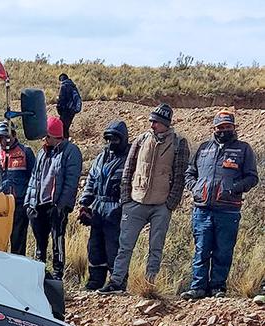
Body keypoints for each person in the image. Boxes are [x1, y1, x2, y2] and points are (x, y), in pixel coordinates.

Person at [99, 104, 190, 294]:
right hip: (136, 201)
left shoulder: (179, 143)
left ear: (165, 123)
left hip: (161, 205)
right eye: (151, 121)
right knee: (125, 246)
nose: (152, 124)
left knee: (155, 248)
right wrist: (126, 199)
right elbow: (128, 169)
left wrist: (170, 204)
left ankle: (149, 285)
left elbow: (180, 176)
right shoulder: (141, 140)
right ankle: (116, 282)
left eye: (156, 122)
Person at [181, 110, 259, 299]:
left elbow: (252, 177)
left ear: (233, 127)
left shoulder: (243, 149)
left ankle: (217, 288)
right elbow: (190, 173)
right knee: (201, 248)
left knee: (223, 250)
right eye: (220, 127)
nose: (224, 130)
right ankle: (198, 287)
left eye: (227, 126)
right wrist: (196, 187)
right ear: (214, 128)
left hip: (228, 210)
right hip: (202, 209)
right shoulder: (203, 148)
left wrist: (233, 188)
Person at [24, 116, 83, 279]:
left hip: (56, 204)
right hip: (38, 204)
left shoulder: (71, 151)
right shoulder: (42, 152)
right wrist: (29, 203)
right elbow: (34, 178)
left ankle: (58, 273)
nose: (44, 139)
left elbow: (71, 182)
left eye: (47, 135)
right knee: (39, 243)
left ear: (55, 135)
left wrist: (62, 206)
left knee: (57, 240)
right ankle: (39, 271)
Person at [77, 120, 129, 290]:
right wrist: (84, 204)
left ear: (123, 139)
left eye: (115, 139)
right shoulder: (101, 158)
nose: (110, 143)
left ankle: (117, 282)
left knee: (114, 246)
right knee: (95, 245)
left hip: (117, 207)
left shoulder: (129, 159)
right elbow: (91, 181)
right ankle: (95, 281)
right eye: (108, 139)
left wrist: (124, 206)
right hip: (98, 205)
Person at [0, 120, 35, 255]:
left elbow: (34, 179)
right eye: (0, 137)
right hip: (0, 204)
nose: (3, 141)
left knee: (18, 241)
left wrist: (30, 202)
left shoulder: (26, 152)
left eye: (6, 137)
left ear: (14, 135)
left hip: (19, 204)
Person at [56, 73, 82, 138]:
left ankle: (63, 145)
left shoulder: (64, 86)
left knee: (62, 129)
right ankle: (66, 143)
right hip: (72, 111)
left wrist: (59, 109)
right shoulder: (73, 86)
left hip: (66, 111)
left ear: (61, 79)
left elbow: (61, 100)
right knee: (66, 128)